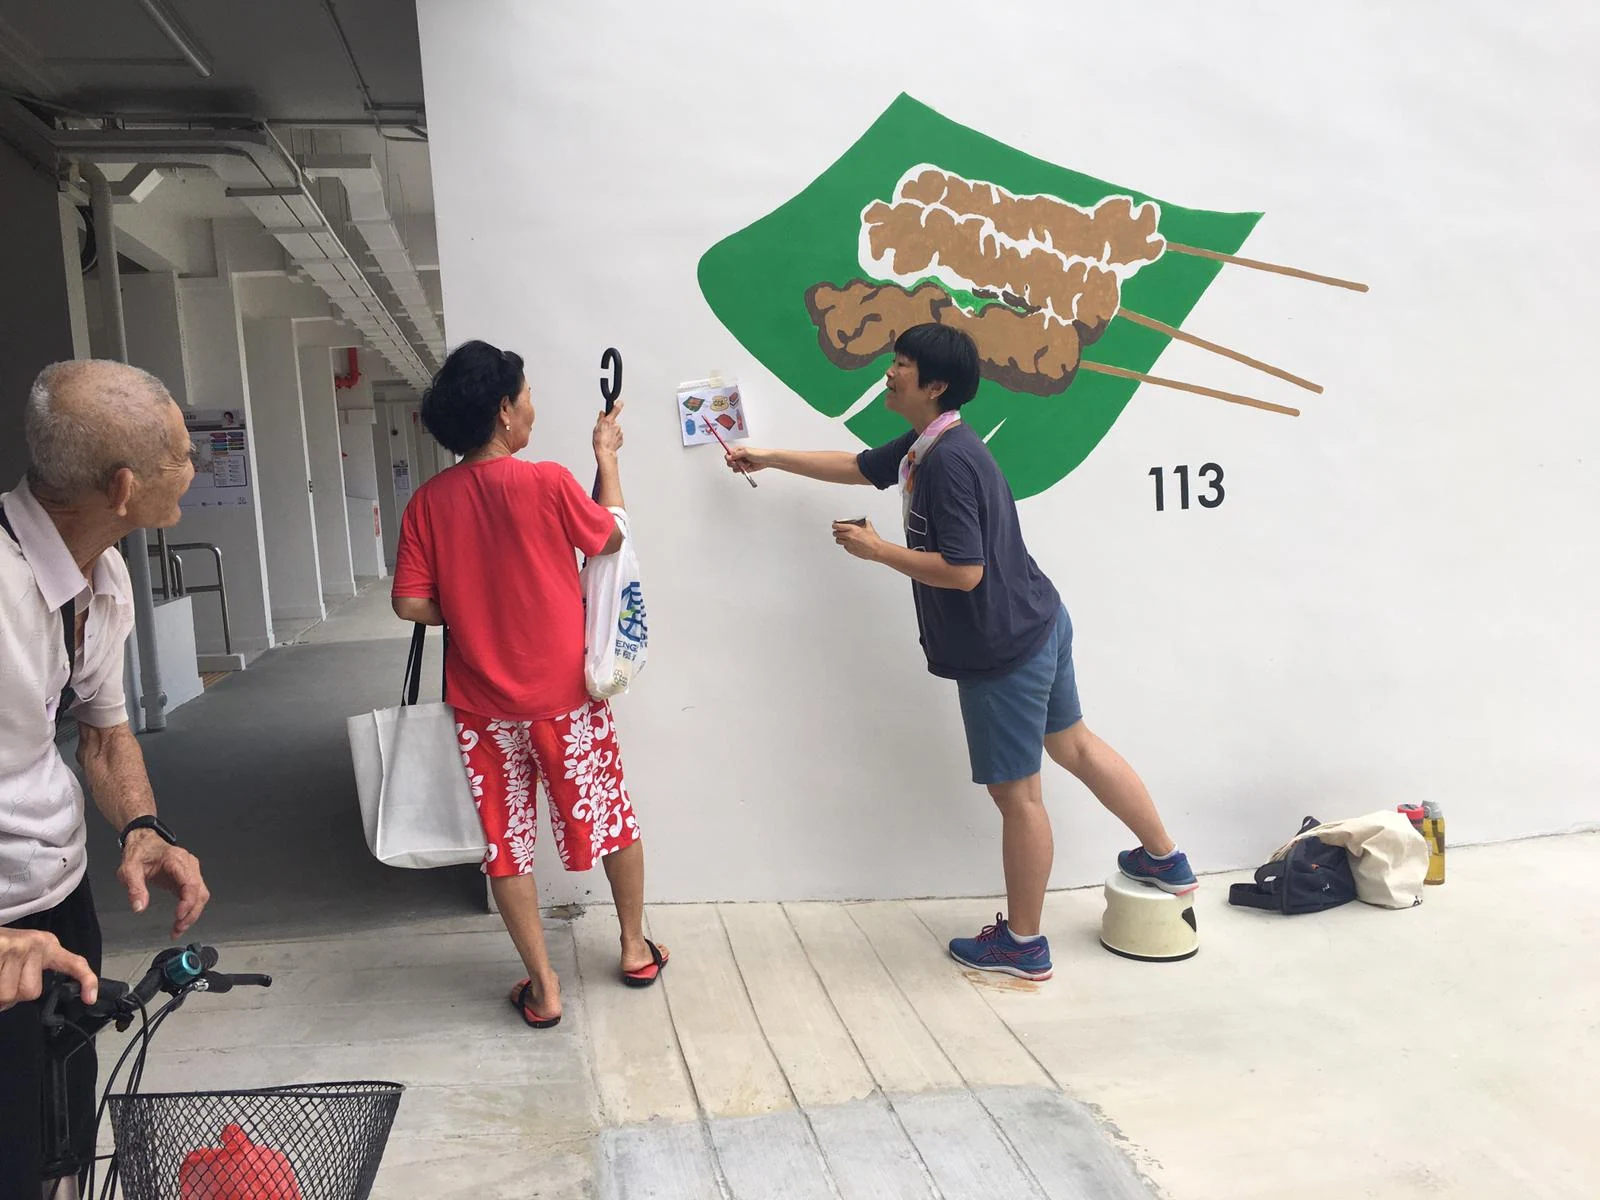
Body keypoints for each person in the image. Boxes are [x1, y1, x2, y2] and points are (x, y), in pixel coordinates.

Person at [725, 324, 1195, 981]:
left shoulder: (945, 462)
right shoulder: (935, 441)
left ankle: (1024, 944)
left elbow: (965, 571)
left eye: (902, 365)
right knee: (1075, 746)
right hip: (1039, 618)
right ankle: (1165, 859)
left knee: (1019, 798)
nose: (888, 373)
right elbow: (860, 469)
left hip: (1002, 646)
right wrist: (767, 456)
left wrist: (877, 550)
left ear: (934, 384)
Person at [392, 340, 665, 1030]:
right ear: (504, 412)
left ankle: (543, 988)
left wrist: (470, 603)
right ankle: (634, 950)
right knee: (612, 819)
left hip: (482, 707)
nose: (533, 404)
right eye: (528, 393)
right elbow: (609, 541)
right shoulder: (545, 483)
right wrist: (606, 456)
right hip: (566, 700)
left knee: (505, 844)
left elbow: (409, 604)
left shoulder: (428, 503)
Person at [1, 360, 211, 1194]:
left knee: (60, 1136)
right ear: (125, 486)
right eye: (182, 455)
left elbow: (103, 731)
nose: (193, 469)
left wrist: (143, 829)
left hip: (60, 908)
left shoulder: (105, 575)